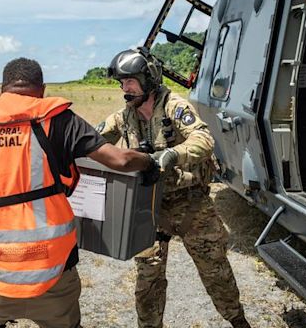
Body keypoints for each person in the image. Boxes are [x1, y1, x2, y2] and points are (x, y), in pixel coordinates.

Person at [0, 57, 159, 328]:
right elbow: (120, 160)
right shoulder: (56, 117)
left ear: (1, 88)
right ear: (42, 91)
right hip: (51, 270)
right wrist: (150, 162)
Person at [96, 48, 251, 328]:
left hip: (189, 202)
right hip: (149, 204)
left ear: (149, 78)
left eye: (130, 81)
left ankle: (238, 321)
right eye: (122, 82)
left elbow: (203, 139)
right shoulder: (125, 115)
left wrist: (171, 155)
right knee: (148, 277)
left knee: (215, 270)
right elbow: (94, 139)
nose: (125, 88)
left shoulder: (174, 106)